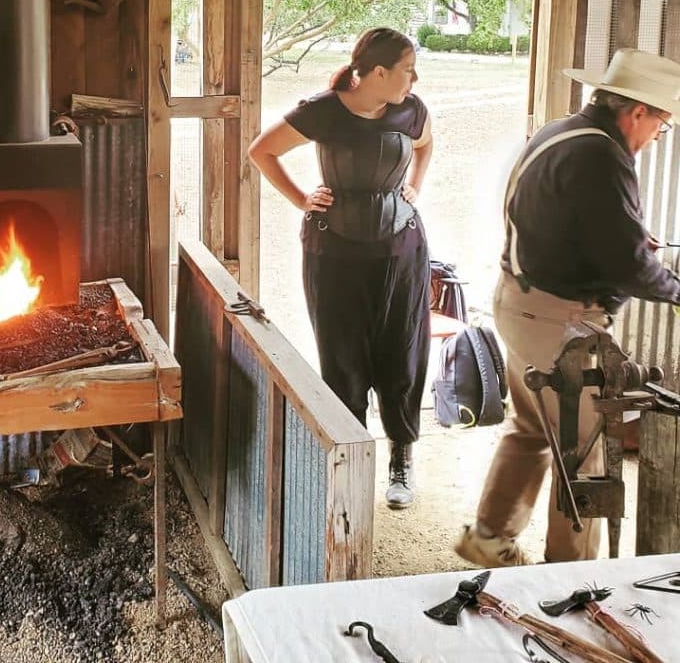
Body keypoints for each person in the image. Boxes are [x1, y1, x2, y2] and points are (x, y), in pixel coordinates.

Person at [456, 48, 680, 568]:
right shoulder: (601, 156)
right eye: (661, 126)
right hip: (561, 324)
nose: (654, 139)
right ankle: (568, 578)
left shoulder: (561, 133)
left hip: (520, 304)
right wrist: (673, 288)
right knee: (581, 456)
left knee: (532, 431)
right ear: (638, 112)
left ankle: (487, 541)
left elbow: (560, 219)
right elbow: (628, 265)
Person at [249, 28, 434, 509]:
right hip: (334, 254)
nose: (413, 79)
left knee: (402, 354)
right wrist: (301, 200)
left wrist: (413, 184)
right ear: (377, 73)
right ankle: (349, 464)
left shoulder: (410, 109)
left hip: (401, 251)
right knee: (343, 360)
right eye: (407, 70)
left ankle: (401, 459)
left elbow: (425, 145)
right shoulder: (323, 110)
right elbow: (261, 151)